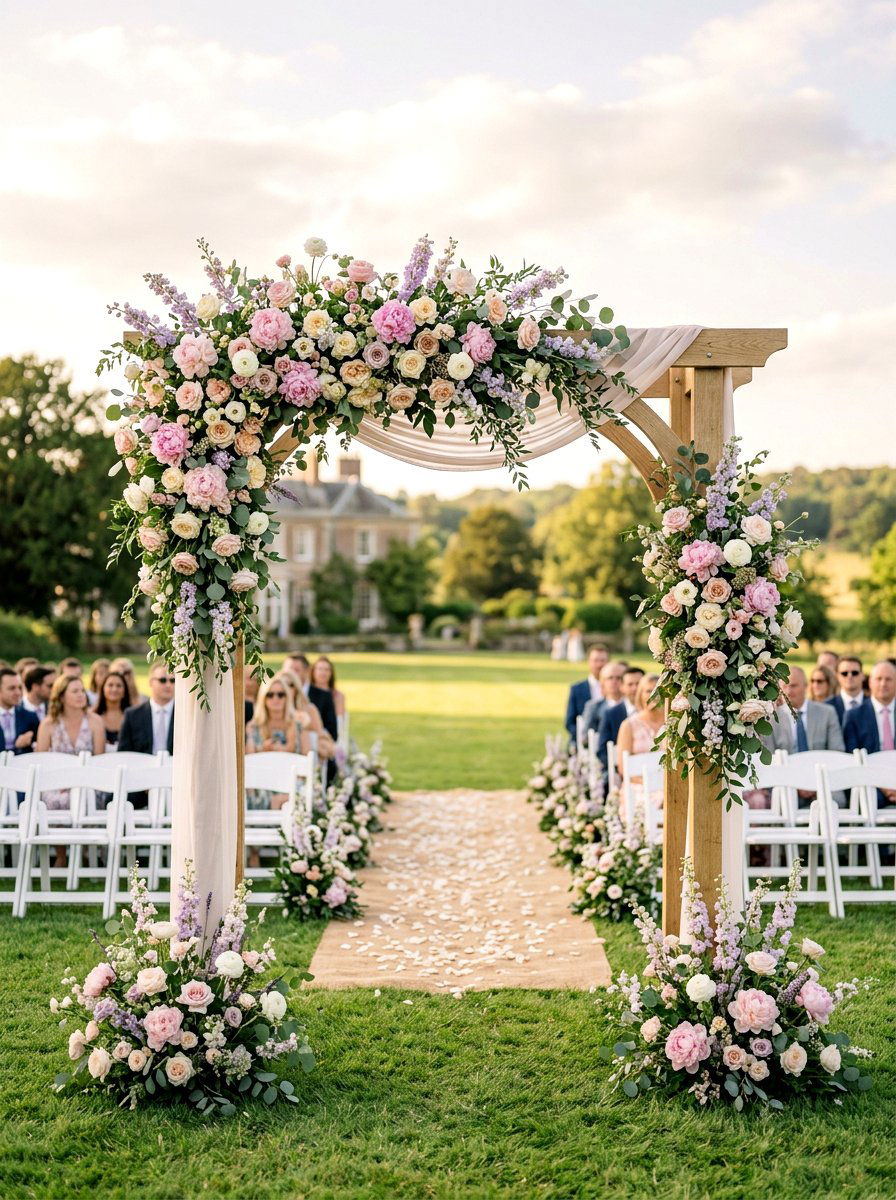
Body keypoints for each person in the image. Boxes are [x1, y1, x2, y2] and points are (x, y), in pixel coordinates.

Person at [36, 676, 105, 863]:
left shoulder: (95, 721)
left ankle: (83, 852)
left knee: (83, 798)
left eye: (82, 690)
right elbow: (41, 762)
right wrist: (61, 782)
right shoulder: (48, 724)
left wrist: (79, 781)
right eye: (75, 691)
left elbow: (99, 761)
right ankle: (61, 855)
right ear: (61, 696)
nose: (81, 695)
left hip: (88, 783)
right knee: (54, 799)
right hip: (56, 784)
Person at [762, 666, 845, 755]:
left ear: (806, 686)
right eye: (784, 687)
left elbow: (837, 751)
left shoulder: (827, 713)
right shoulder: (771, 719)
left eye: (793, 686)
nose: (788, 691)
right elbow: (770, 757)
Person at [844, 661, 896, 794]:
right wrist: (883, 786)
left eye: (888, 679)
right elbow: (854, 758)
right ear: (870, 682)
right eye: (879, 679)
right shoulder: (854, 716)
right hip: (871, 785)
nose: (883, 684)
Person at [617, 673, 665, 808]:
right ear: (640, 695)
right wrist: (652, 784)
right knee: (657, 801)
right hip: (638, 786)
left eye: (658, 689)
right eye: (648, 691)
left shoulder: (674, 723)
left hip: (668, 784)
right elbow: (623, 769)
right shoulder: (629, 725)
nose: (654, 694)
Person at [118, 662, 175, 755]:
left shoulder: (184, 716)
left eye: (172, 680)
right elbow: (123, 753)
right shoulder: (132, 715)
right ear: (150, 682)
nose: (168, 685)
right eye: (163, 680)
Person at [282, 652, 338, 742]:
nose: (291, 674)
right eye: (288, 669)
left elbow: (332, 734)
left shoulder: (324, 696)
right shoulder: (274, 695)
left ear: (307, 671)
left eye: (296, 670)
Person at [596, 666, 644, 770]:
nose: (635, 688)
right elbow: (602, 750)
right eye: (630, 684)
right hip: (618, 770)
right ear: (622, 687)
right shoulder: (610, 714)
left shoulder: (654, 712)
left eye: (638, 684)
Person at [564, 644, 609, 741]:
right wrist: (584, 738)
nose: (599, 664)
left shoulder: (618, 687)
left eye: (602, 660)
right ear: (589, 662)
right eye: (595, 660)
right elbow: (570, 722)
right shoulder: (577, 689)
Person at [0, 666, 40, 755]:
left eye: (19, 688)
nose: (18, 693)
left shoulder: (31, 717)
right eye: (11, 688)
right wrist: (16, 747)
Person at [93, 671, 129, 751]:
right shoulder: (93, 716)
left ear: (124, 691)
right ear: (103, 689)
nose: (114, 689)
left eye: (119, 686)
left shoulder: (133, 717)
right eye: (110, 685)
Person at [828, 655, 865, 728]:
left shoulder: (875, 704)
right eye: (844, 673)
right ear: (837, 676)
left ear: (862, 675)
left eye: (854, 673)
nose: (849, 676)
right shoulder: (827, 706)